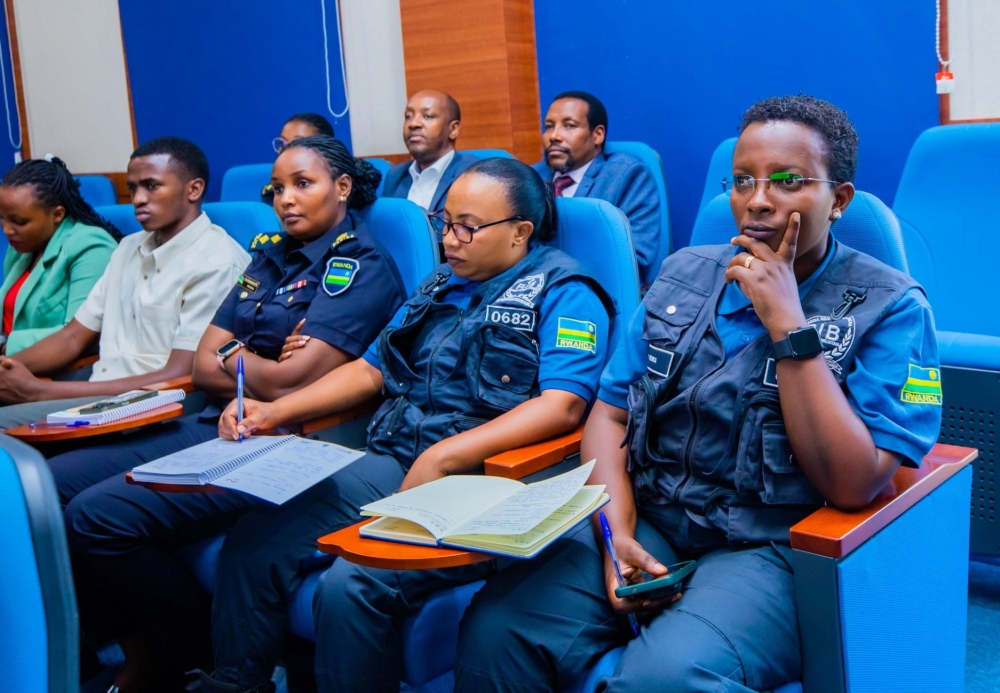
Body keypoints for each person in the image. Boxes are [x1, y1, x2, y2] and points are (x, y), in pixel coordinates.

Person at [453, 96, 943, 693]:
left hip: (770, 544)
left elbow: (854, 482)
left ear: (837, 200)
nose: (758, 199)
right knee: (497, 629)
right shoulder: (685, 272)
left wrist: (789, 325)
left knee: (661, 679)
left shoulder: (889, 307)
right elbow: (609, 416)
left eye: (787, 182)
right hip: (653, 515)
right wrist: (615, 533)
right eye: (742, 181)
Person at [180, 158, 616, 693]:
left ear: (520, 233)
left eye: (467, 227)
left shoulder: (566, 291)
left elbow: (563, 406)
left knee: (353, 586)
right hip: (397, 459)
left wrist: (448, 455)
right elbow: (369, 369)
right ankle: (237, 685)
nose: (449, 239)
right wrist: (276, 411)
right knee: (255, 539)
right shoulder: (439, 284)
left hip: (489, 483)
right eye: (443, 221)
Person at [61, 136, 405, 693]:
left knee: (95, 516)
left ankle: (187, 660)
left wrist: (234, 355)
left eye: (304, 184)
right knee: (51, 488)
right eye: (278, 188)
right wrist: (242, 358)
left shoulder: (358, 265)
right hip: (217, 420)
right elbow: (201, 364)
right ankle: (133, 652)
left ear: (342, 188)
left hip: (289, 438)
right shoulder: (269, 253)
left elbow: (294, 380)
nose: (286, 200)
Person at [0, 137, 250, 429]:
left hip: (157, 403)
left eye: (152, 186)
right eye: (133, 188)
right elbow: (72, 337)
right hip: (105, 387)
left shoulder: (217, 261)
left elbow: (180, 375)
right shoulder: (128, 248)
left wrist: (40, 393)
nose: (138, 199)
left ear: (194, 189)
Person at [533, 90, 661, 281]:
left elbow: (635, 259)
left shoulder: (625, 175)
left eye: (569, 125)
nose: (554, 136)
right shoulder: (532, 177)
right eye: (549, 126)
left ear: (598, 135)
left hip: (593, 291)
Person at [0, 157, 120, 355]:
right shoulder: (22, 244)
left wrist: (5, 344)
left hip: (62, 371)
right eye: (2, 218)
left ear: (57, 214)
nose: (7, 230)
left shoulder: (91, 247)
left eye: (19, 221)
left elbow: (78, 334)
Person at [381, 89, 476, 211]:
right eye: (408, 116)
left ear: (453, 129)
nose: (413, 123)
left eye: (428, 116)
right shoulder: (395, 176)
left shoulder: (472, 175)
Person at [262, 113, 336, 203]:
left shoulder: (342, 191)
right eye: (282, 143)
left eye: (297, 143)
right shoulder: (271, 194)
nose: (286, 150)